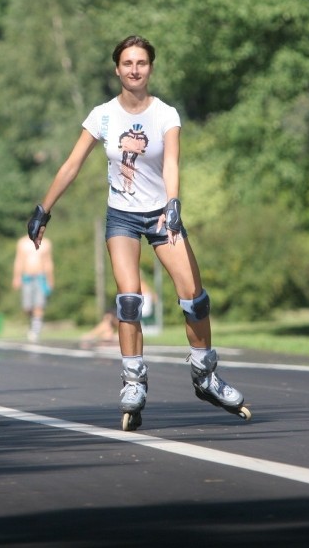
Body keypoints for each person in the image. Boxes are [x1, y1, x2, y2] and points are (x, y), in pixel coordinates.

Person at [26, 35, 249, 431]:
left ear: (150, 68)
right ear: (117, 69)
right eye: (127, 63)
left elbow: (171, 164)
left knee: (194, 299)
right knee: (129, 299)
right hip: (122, 218)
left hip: (162, 216)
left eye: (141, 63)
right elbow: (72, 165)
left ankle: (205, 375)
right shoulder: (103, 116)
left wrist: (174, 202)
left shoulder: (166, 115)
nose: (134, 69)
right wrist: (44, 209)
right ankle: (133, 382)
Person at [12, 235, 55, 342]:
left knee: (39, 305)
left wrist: (50, 279)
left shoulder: (46, 243)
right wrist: (16, 277)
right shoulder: (22, 243)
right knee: (27, 307)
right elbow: (18, 261)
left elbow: (48, 262)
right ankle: (33, 323)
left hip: (40, 278)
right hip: (27, 278)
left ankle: (35, 331)